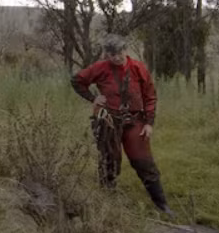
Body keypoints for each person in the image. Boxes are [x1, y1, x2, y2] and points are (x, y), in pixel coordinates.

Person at [71, 35, 173, 215]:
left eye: (119, 53)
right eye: (111, 54)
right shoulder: (99, 68)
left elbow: (150, 96)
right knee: (109, 161)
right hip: (108, 120)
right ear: (106, 55)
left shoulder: (138, 68)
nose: (116, 57)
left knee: (143, 161)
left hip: (134, 121)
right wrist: (93, 98)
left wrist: (149, 123)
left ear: (125, 50)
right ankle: (108, 204)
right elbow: (77, 81)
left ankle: (162, 205)